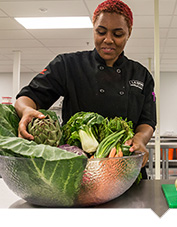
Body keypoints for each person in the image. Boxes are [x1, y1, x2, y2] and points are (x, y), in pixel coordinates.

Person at [14, 0, 156, 179]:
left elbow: (148, 121)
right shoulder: (68, 65)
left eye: (118, 34)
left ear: (129, 33)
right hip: (76, 169)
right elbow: (28, 96)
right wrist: (26, 110)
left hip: (125, 165)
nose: (108, 40)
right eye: (101, 32)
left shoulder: (141, 74)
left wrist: (140, 139)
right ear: (94, 28)